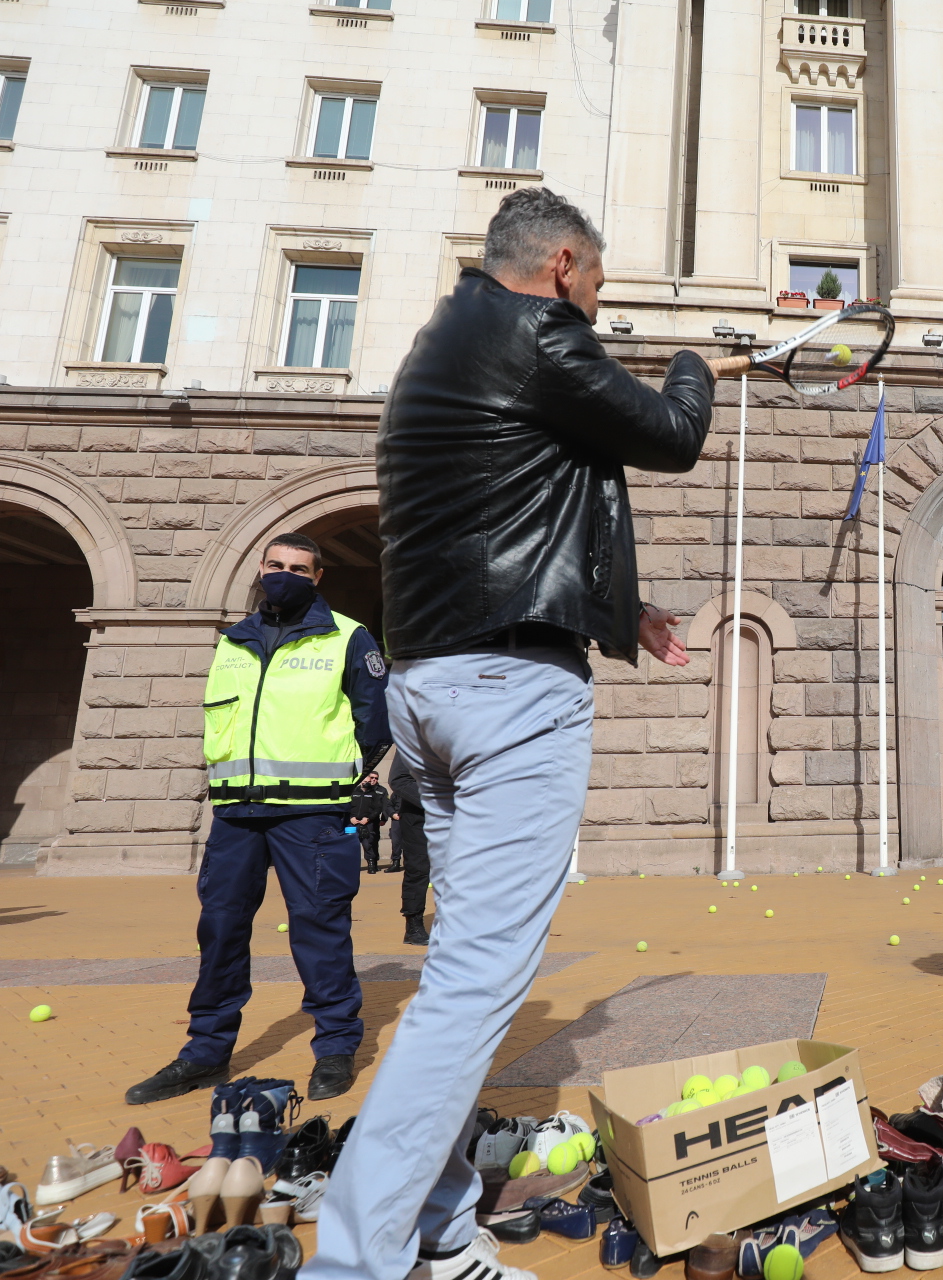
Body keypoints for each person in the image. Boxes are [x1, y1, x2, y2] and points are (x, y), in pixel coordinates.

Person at [305, 187, 713, 1280]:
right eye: (597, 288)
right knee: (479, 980)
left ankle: (439, 1225)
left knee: (456, 975)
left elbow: (504, 504)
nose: (595, 306)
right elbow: (675, 435)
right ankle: (352, 1259)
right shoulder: (541, 333)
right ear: (565, 264)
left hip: (431, 679)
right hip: (509, 694)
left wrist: (618, 611)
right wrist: (696, 363)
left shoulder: (443, 342)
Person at [125, 533, 391, 1107]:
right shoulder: (233, 642)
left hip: (314, 814)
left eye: (300, 567)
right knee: (219, 932)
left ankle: (337, 1047)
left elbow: (377, 724)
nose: (286, 574)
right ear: (260, 567)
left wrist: (344, 782)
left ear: (317, 577)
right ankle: (204, 1053)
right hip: (237, 815)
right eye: (276, 565)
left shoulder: (348, 637)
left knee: (319, 931)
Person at [390, 750, 431, 945]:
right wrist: (437, 801)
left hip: (459, 815)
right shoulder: (413, 735)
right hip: (419, 817)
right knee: (418, 870)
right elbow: (399, 780)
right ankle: (413, 926)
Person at [351, 769, 388, 874]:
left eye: (368, 781)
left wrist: (368, 818)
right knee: (352, 845)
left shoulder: (375, 793)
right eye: (364, 781)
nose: (366, 783)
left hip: (367, 822)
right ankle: (352, 867)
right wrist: (351, 818)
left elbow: (378, 808)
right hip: (353, 822)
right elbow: (348, 806)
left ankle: (371, 865)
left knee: (369, 844)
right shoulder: (354, 792)